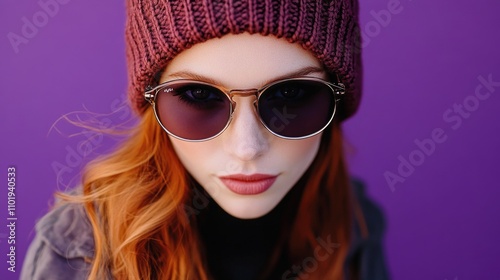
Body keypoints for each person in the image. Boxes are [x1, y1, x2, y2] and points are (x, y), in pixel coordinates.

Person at [21, 0, 389, 279]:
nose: (246, 148)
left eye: (290, 95)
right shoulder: (80, 253)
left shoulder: (352, 219)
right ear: (152, 102)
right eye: (199, 96)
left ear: (338, 100)